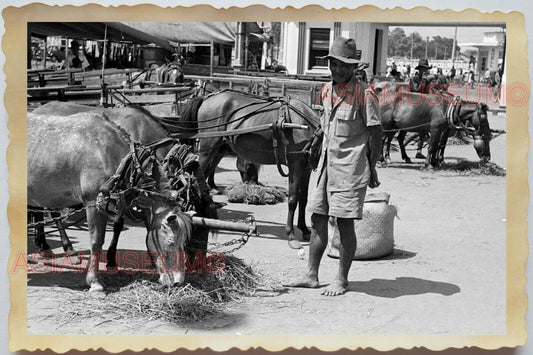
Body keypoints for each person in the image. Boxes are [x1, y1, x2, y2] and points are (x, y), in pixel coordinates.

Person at [285, 37, 382, 296]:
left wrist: (372, 169)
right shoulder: (326, 90)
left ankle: (341, 279)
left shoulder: (365, 94)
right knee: (317, 218)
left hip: (351, 168)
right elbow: (325, 124)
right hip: (326, 165)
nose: (337, 70)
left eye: (343, 65)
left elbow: (375, 134)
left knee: (343, 223)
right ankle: (311, 275)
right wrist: (316, 142)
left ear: (353, 68)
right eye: (333, 64)